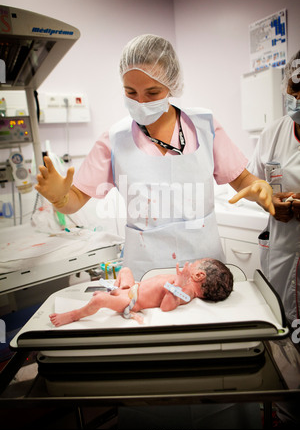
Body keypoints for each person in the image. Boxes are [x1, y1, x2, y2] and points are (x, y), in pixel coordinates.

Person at [35, 34, 275, 280]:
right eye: (130, 92)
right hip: (145, 271)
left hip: (205, 268)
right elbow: (75, 200)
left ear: (171, 85)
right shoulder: (114, 139)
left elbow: (242, 180)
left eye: (152, 92)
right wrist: (59, 197)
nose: (140, 102)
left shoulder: (204, 127)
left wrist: (257, 185)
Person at [247, 51, 300, 325]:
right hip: (280, 248)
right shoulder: (272, 132)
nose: (299, 98)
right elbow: (253, 183)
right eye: (295, 87)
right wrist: (269, 202)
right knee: (281, 325)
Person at [49, 258, 233, 327]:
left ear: (199, 275)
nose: (193, 262)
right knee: (125, 270)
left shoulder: (187, 292)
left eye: (197, 262)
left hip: (133, 301)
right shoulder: (184, 285)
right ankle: (116, 291)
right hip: (131, 289)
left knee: (98, 300)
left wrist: (177, 284)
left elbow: (167, 307)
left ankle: (74, 315)